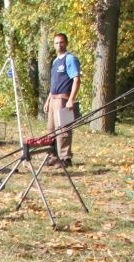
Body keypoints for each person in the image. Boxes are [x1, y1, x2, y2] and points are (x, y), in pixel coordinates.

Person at [43, 32, 80, 167]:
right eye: (56, 43)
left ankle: (65, 158)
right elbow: (53, 84)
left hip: (63, 99)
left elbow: (76, 80)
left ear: (66, 43)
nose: (59, 45)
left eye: (61, 42)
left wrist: (71, 99)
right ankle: (53, 156)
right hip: (53, 99)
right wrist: (47, 101)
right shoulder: (55, 61)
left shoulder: (70, 59)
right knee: (51, 129)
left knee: (63, 129)